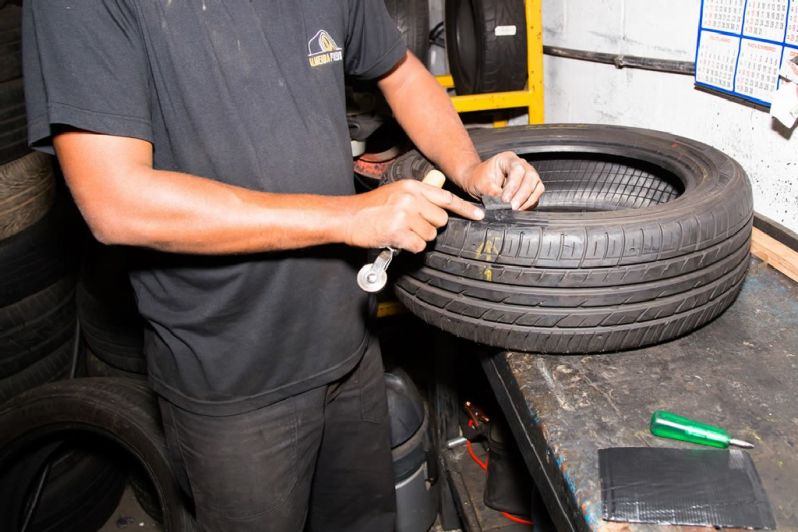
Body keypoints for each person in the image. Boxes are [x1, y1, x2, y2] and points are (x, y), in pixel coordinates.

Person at [22, 1, 544, 531]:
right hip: (233, 376)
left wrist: (469, 164)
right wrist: (350, 217)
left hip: (349, 343)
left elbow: (402, 72)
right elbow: (117, 203)